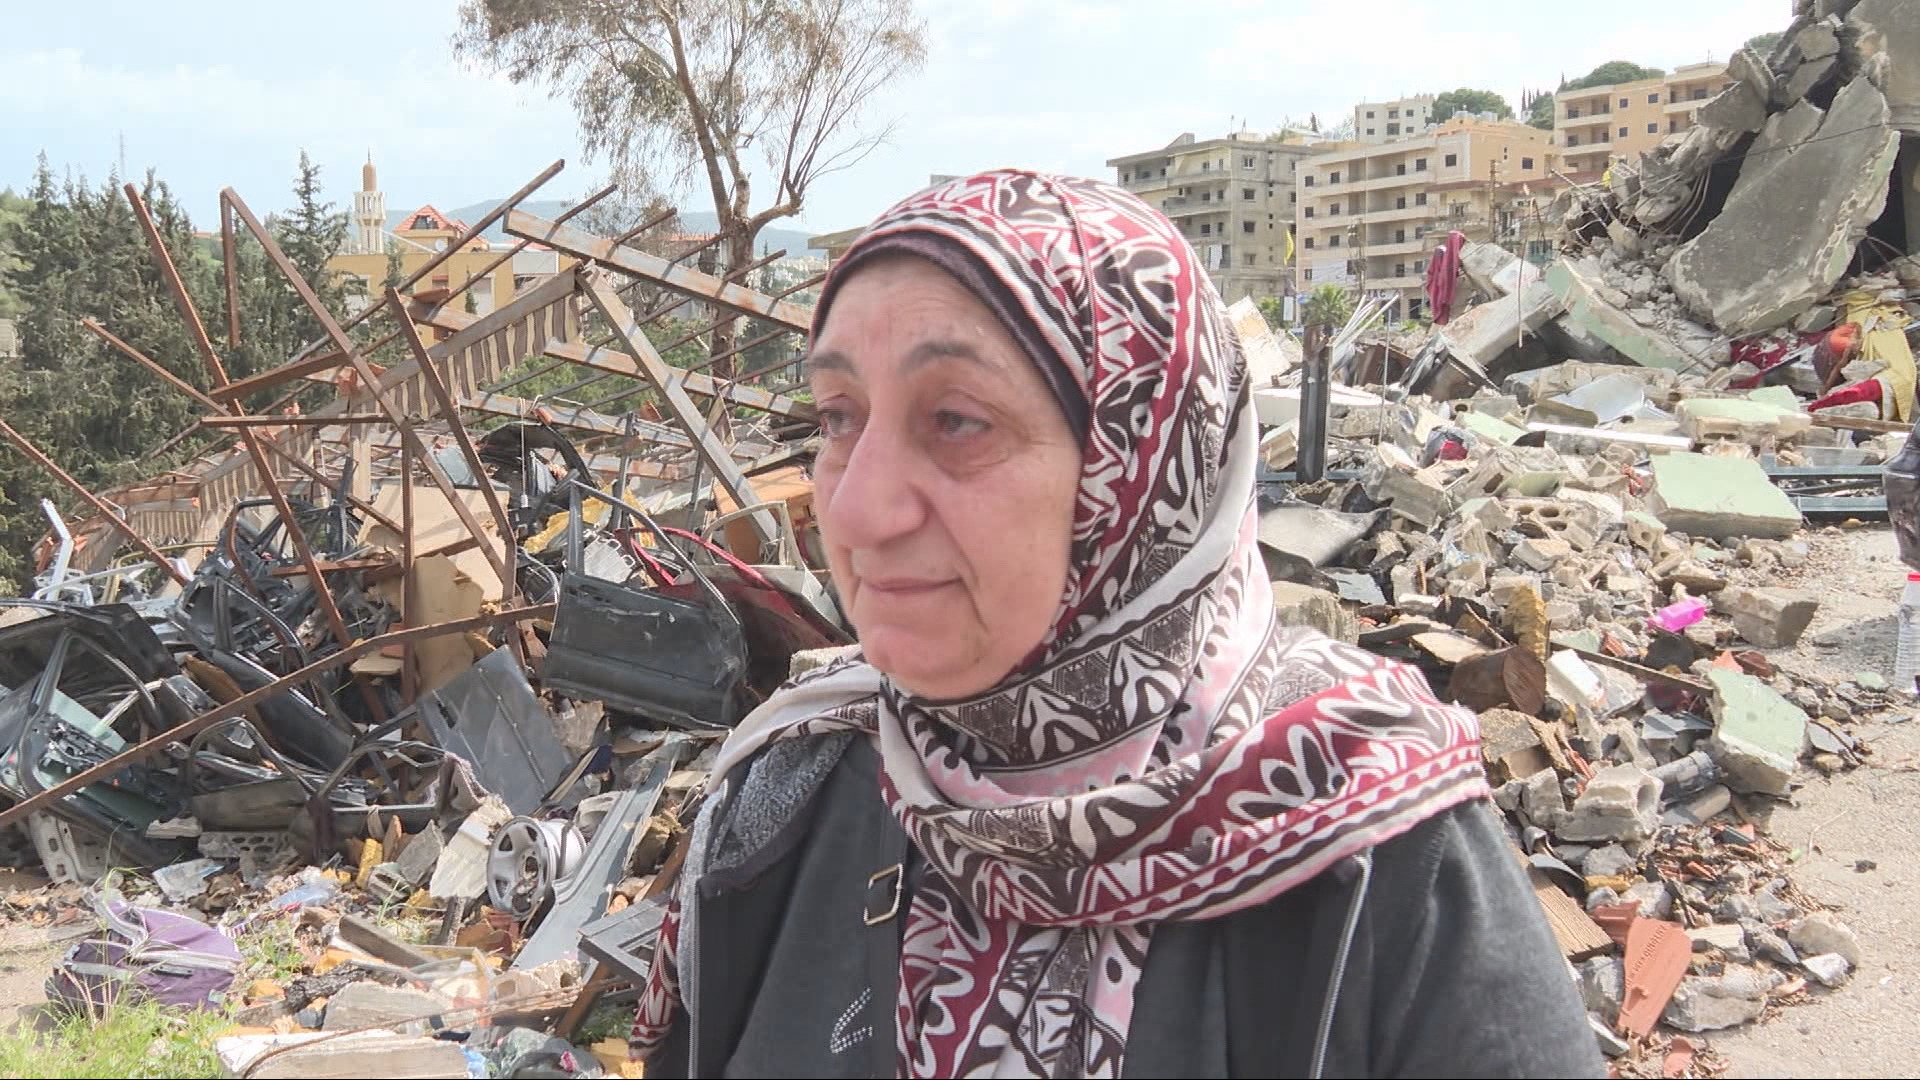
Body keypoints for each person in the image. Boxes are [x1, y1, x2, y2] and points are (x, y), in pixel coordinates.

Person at [630, 170, 1604, 1079]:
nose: (851, 510)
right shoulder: (783, 799)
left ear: (1141, 467)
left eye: (956, 420)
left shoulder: (1380, 853)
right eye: (838, 416)